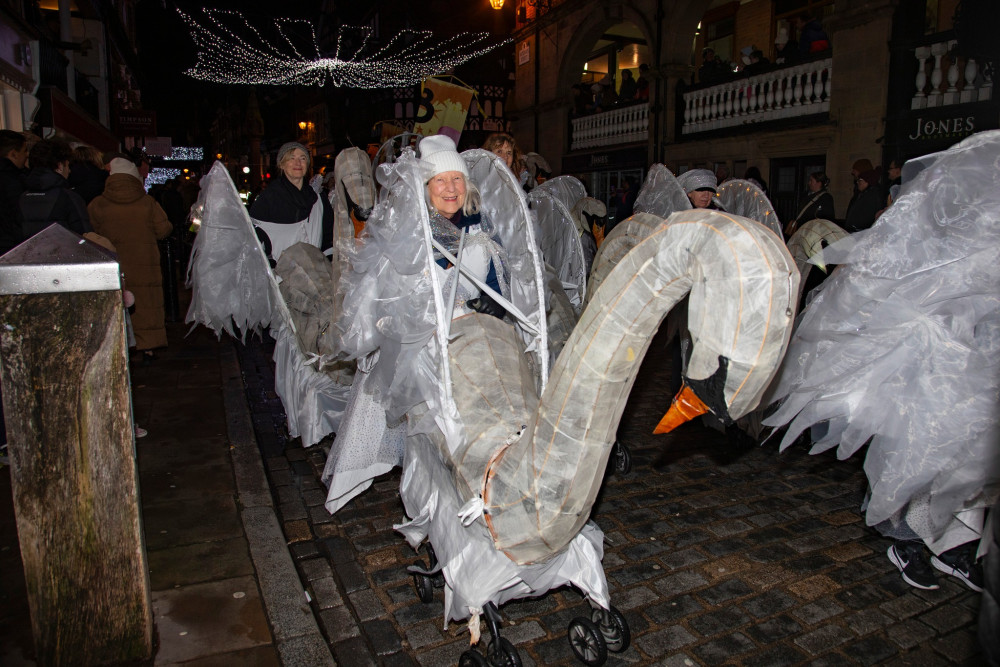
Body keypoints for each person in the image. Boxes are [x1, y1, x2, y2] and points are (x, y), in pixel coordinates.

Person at [88, 158, 173, 360]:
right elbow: (163, 229)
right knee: (146, 303)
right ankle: (148, 346)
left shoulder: (97, 204)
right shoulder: (147, 203)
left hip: (114, 263)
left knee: (119, 302)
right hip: (145, 263)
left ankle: (122, 344)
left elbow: (91, 232)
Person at [420, 134, 509, 317]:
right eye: (440, 179)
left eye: (457, 178)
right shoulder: (411, 232)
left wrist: (496, 302)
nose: (451, 188)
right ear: (425, 187)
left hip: (474, 337)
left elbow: (497, 280)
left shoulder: (481, 229)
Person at [249, 141, 334, 262]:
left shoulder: (318, 199)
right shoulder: (268, 199)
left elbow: (329, 235)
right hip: (280, 275)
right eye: (291, 158)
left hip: (315, 274)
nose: (298, 163)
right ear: (281, 165)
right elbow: (254, 238)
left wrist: (328, 259)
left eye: (303, 158)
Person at [18, 138, 91, 241]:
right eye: (68, 165)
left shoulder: (21, 196)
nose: (69, 171)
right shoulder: (69, 198)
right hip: (63, 255)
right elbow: (84, 237)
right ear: (60, 166)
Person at [0, 129, 29, 256]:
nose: (27, 155)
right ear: (13, 154)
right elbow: (18, 214)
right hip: (9, 247)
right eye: (24, 151)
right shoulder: (12, 180)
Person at [784, 171, 835, 238]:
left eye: (811, 181)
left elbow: (826, 217)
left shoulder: (826, 198)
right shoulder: (806, 195)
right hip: (802, 230)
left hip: (813, 232)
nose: (809, 183)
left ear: (818, 183)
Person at [843, 168, 882, 233]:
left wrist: (855, 226)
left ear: (867, 181)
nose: (857, 182)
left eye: (860, 180)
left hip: (860, 232)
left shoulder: (871, 197)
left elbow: (866, 217)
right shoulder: (863, 194)